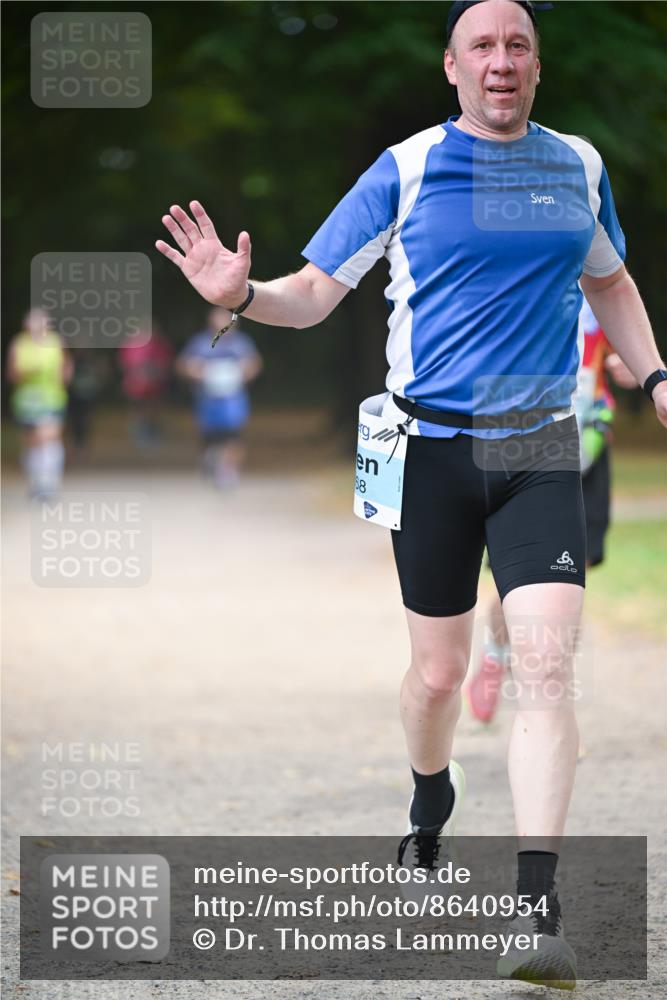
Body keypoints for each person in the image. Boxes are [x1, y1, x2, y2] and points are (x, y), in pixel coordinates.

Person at [156, 0, 667, 987]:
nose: (502, 60)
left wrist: (652, 376)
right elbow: (310, 293)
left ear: (535, 64)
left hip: (541, 446)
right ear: (451, 66)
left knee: (545, 666)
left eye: (518, 43)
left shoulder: (580, 167)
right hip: (426, 454)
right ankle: (430, 801)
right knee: (437, 676)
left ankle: (535, 908)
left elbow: (610, 282)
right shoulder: (407, 168)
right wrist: (241, 297)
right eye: (482, 45)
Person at [466, 296, 638, 724]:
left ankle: (552, 708)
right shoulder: (523, 285)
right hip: (527, 443)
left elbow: (628, 356)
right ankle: (494, 654)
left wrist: (631, 369)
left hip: (588, 446)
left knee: (567, 581)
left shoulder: (603, 292)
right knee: (519, 577)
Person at [176, 308, 262, 489]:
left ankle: (228, 470)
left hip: (233, 398)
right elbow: (183, 365)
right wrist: (195, 370)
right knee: (210, 436)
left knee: (233, 435)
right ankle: (209, 459)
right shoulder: (200, 343)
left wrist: (243, 372)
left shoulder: (241, 343)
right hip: (207, 397)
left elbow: (254, 363)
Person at [6, 308, 72, 499]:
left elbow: (66, 365)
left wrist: (62, 379)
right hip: (26, 401)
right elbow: (11, 374)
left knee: (48, 437)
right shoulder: (19, 344)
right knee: (32, 443)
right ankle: (36, 482)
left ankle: (49, 482)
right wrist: (26, 372)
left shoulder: (56, 342)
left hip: (52, 398)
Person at [118, 321, 173, 451]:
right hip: (135, 386)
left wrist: (155, 372)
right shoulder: (130, 344)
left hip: (155, 385)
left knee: (153, 410)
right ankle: (139, 436)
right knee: (139, 411)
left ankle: (152, 435)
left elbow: (165, 363)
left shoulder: (159, 345)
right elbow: (124, 363)